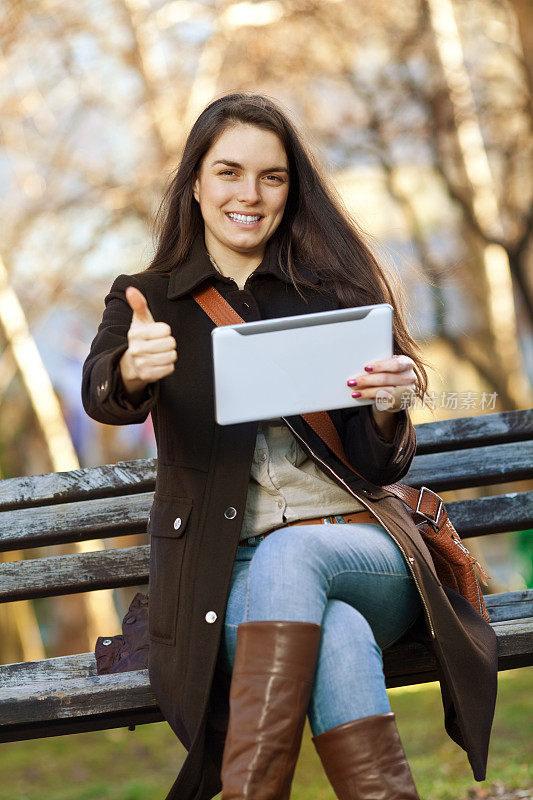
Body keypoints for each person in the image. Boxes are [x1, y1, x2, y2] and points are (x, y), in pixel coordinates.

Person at [81, 92, 497, 800]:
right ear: (195, 183)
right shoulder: (148, 300)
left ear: (290, 189)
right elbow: (103, 392)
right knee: (333, 635)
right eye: (229, 172)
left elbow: (377, 465)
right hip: (228, 575)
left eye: (271, 177)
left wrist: (389, 410)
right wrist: (129, 368)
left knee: (295, 551)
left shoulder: (332, 290)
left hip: (364, 550)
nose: (250, 194)